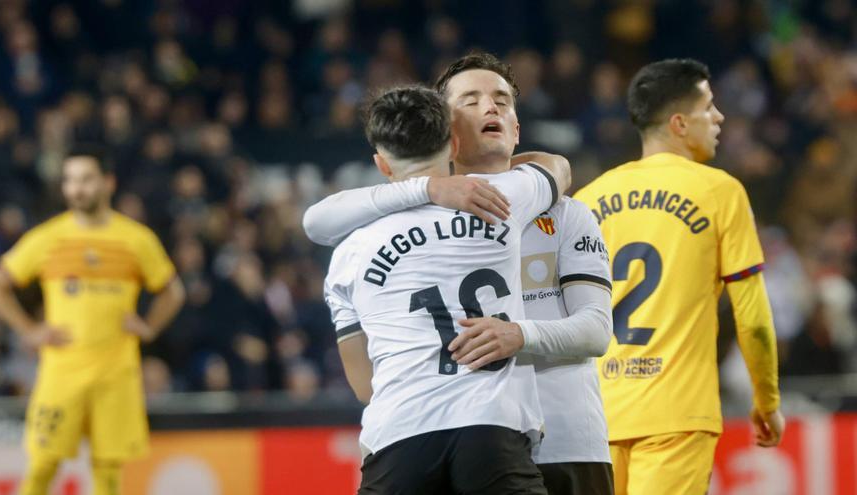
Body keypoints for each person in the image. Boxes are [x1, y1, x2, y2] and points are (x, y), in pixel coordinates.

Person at [305, 52, 614, 495]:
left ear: (517, 128)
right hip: (487, 431)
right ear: (446, 131)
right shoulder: (417, 210)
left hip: (566, 440)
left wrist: (519, 335)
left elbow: (597, 331)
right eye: (471, 100)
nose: (491, 108)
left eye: (503, 101)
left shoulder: (567, 214)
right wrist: (430, 186)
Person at [572, 58, 784, 495]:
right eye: (710, 107)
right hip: (676, 416)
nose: (719, 117)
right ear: (680, 123)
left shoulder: (589, 199)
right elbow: (754, 317)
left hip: (594, 418)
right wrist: (768, 402)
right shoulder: (720, 192)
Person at [0, 145, 186, 495]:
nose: (77, 188)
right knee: (43, 465)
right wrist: (29, 331)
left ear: (108, 182)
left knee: (107, 472)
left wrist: (148, 326)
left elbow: (173, 292)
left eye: (86, 179)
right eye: (70, 180)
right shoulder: (48, 238)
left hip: (116, 374)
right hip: (62, 373)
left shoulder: (135, 239)